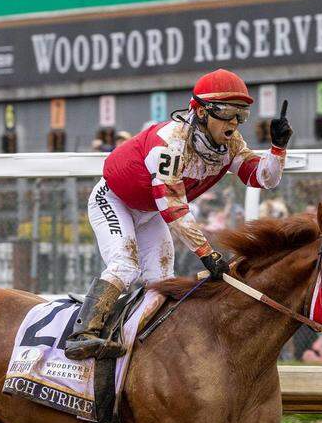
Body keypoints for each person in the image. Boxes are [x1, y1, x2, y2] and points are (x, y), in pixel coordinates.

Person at [64, 69, 292, 359]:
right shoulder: (169, 143)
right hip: (114, 200)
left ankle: (142, 345)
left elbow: (263, 179)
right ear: (199, 111)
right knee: (125, 266)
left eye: (241, 114)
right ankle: (81, 335)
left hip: (150, 212)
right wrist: (207, 254)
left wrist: (278, 148)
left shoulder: (232, 144)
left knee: (161, 280)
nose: (234, 123)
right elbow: (172, 206)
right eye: (225, 112)